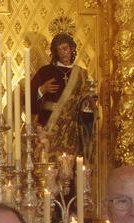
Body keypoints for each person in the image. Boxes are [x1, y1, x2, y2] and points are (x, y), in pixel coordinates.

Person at [29, 32, 96, 161]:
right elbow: (30, 99)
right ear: (55, 52)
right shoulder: (45, 71)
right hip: (49, 124)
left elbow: (86, 101)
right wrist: (42, 90)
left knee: (69, 164)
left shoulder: (81, 74)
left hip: (72, 128)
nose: (63, 53)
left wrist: (88, 103)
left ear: (71, 48)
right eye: (59, 50)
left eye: (65, 48)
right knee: (48, 162)